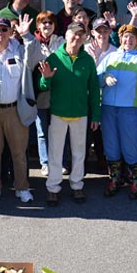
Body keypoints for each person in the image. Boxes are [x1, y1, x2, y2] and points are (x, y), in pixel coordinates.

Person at [0, 16, 40, 204]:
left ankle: (22, 187)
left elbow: (35, 54)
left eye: (4, 29)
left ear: (10, 32)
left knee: (19, 152)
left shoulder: (21, 50)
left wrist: (26, 34)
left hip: (15, 110)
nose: (0, 33)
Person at [38, 22, 101, 206]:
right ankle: (53, 188)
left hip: (80, 114)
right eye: (74, 34)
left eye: (81, 35)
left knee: (79, 153)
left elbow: (94, 89)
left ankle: (77, 185)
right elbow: (42, 87)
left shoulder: (87, 60)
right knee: (56, 153)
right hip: (58, 114)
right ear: (66, 35)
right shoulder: (54, 58)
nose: (76, 38)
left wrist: (95, 115)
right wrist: (45, 78)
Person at [97, 25, 137, 199]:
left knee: (130, 147)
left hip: (129, 110)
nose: (128, 40)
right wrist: (104, 78)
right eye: (125, 37)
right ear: (120, 38)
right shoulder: (110, 57)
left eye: (132, 37)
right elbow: (96, 79)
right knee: (111, 146)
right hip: (108, 108)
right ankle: (115, 180)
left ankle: (134, 181)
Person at [32, 11, 66, 178]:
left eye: (50, 23)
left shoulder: (61, 42)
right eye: (43, 23)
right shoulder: (33, 43)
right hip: (40, 95)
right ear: (38, 26)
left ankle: (59, 162)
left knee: (58, 131)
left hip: (59, 94)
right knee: (42, 132)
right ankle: (45, 163)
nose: (47, 26)